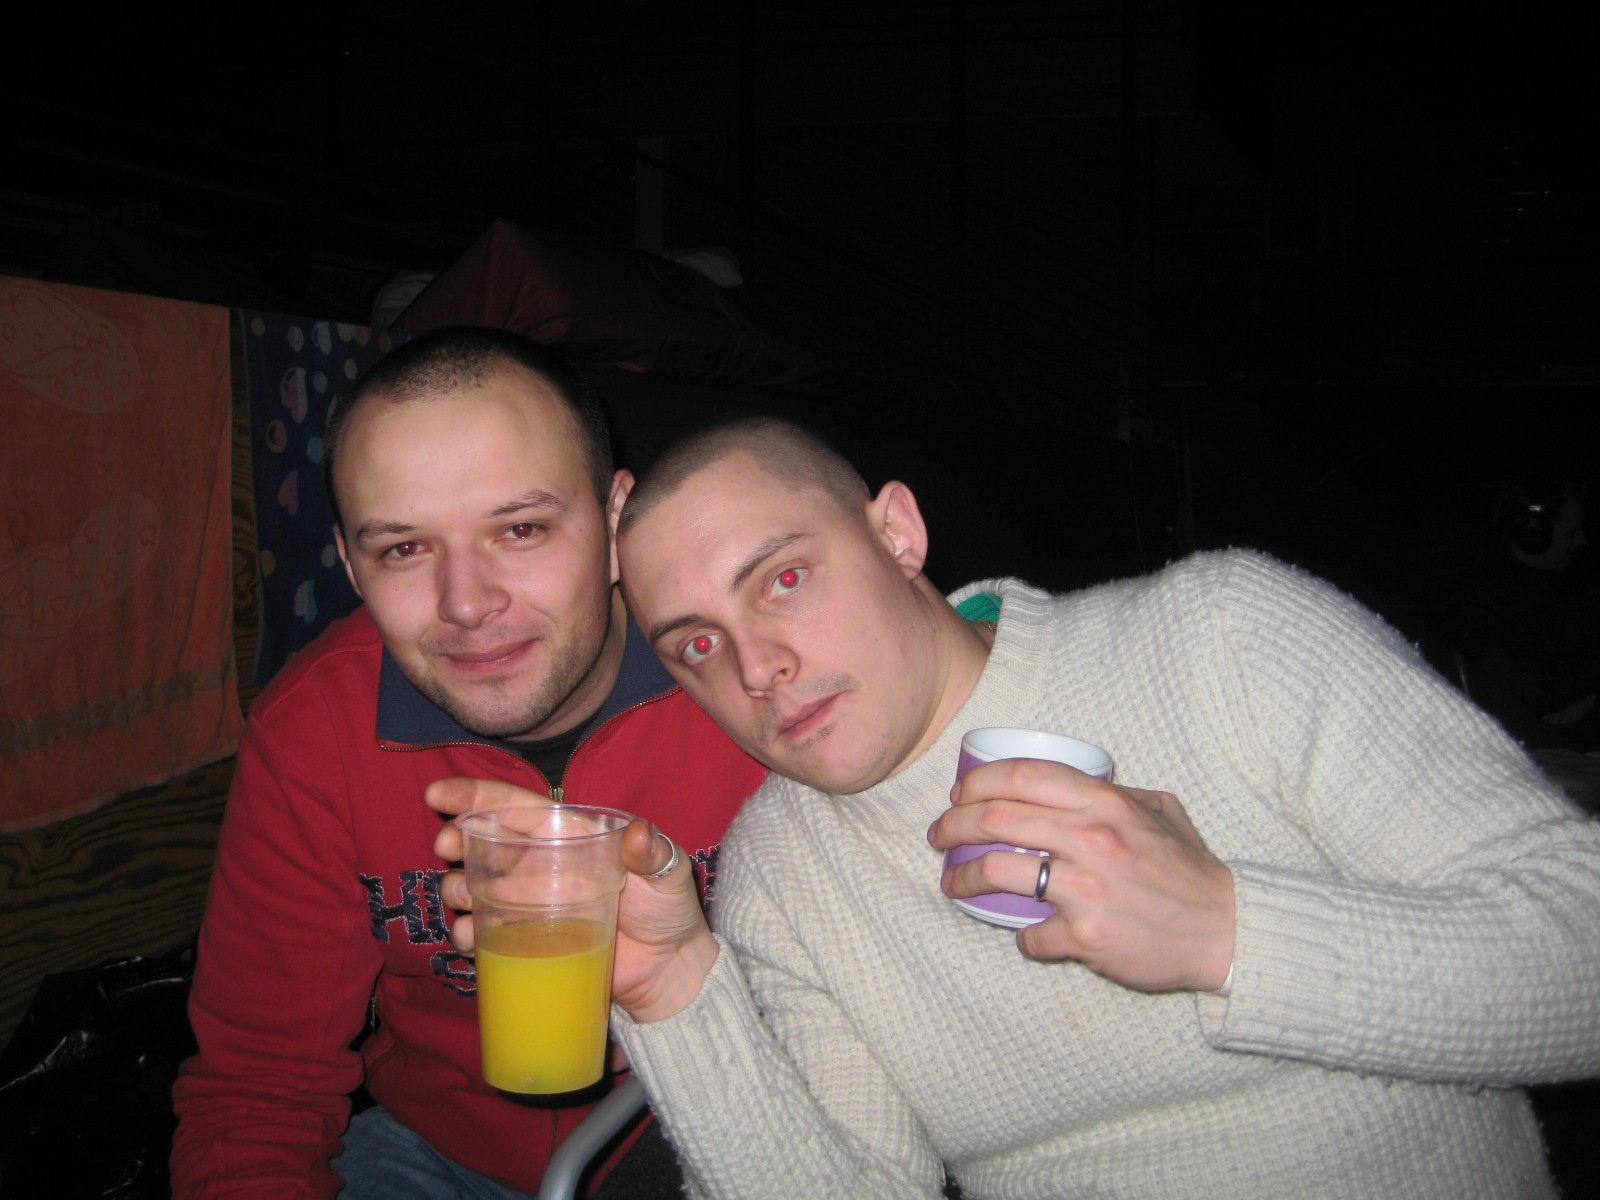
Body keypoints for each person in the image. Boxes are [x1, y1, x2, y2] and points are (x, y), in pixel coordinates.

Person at [427, 414, 1600, 1199]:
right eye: (696, 644)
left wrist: (1225, 929)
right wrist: (676, 993)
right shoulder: (781, 867)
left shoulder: (1218, 640)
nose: (758, 668)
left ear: (895, 532)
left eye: (784, 578)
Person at [169, 328, 766, 1198]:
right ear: (351, 564)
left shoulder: (754, 675)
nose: (466, 604)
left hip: (729, 1131)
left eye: (520, 529)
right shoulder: (316, 730)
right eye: (404, 549)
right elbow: (261, 1085)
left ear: (614, 523)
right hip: (440, 1151)